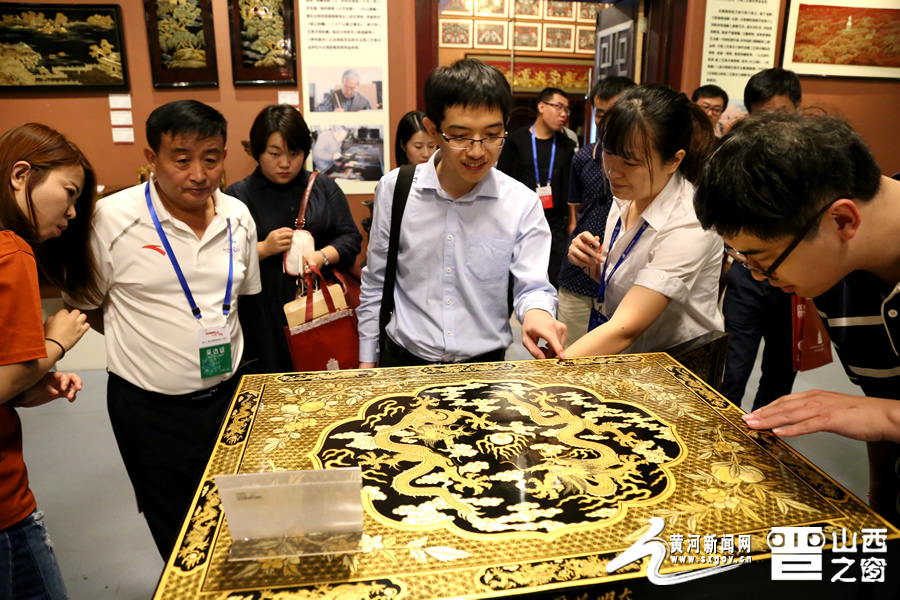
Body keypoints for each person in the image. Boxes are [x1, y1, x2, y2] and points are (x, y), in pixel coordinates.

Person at [63, 100, 262, 559]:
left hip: (229, 400)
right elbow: (84, 307)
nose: (199, 174)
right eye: (182, 159)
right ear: (152, 158)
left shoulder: (238, 217)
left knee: (241, 520)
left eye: (210, 158)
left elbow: (245, 302)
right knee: (178, 533)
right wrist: (146, 341)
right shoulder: (111, 219)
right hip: (149, 410)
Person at [693, 109, 900, 526]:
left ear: (842, 220)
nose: (759, 277)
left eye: (764, 261)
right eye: (743, 260)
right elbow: (879, 401)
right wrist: (879, 504)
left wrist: (887, 415)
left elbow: (882, 415)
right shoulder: (832, 272)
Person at [357, 59, 566, 368]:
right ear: (433, 130)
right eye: (460, 136)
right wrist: (367, 359)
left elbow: (533, 285)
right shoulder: (395, 190)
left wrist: (538, 313)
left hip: (486, 369)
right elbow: (375, 282)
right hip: (403, 362)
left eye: (492, 134)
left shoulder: (522, 203)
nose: (477, 151)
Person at [0, 123, 98, 598]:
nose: (73, 212)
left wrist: (27, 385)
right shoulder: (12, 250)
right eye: (69, 192)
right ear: (21, 175)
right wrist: (56, 343)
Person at [565, 84, 723, 357]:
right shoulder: (628, 194)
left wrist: (546, 372)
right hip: (631, 358)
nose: (613, 171)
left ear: (674, 160)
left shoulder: (691, 223)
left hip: (678, 364)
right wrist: (589, 260)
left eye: (630, 162)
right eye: (608, 152)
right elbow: (623, 276)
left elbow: (625, 329)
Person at [226, 105, 362, 373]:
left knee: (322, 377)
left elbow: (350, 238)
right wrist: (263, 248)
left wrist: (322, 256)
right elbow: (223, 256)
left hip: (319, 308)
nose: (285, 163)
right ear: (258, 151)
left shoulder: (323, 187)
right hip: (261, 313)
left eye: (294, 153)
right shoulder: (239, 196)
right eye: (274, 154)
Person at [719, 68, 803, 412]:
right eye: (761, 115)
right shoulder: (737, 153)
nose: (772, 124)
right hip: (746, 274)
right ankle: (723, 432)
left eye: (781, 113)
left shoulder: (815, 157)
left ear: (797, 107)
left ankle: (767, 434)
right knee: (732, 368)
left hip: (796, 279)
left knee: (781, 371)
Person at [557, 76, 635, 346]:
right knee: (570, 351)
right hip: (578, 273)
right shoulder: (583, 157)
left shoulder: (643, 164)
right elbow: (575, 211)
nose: (607, 121)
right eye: (600, 113)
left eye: (615, 112)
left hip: (624, 280)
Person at [497, 87, 576, 289]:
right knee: (517, 282)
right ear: (541, 106)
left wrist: (572, 221)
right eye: (558, 107)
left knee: (553, 282)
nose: (563, 114)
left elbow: (570, 186)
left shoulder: (566, 145)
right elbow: (502, 181)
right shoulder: (516, 141)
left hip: (555, 226)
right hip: (519, 223)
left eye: (566, 110)